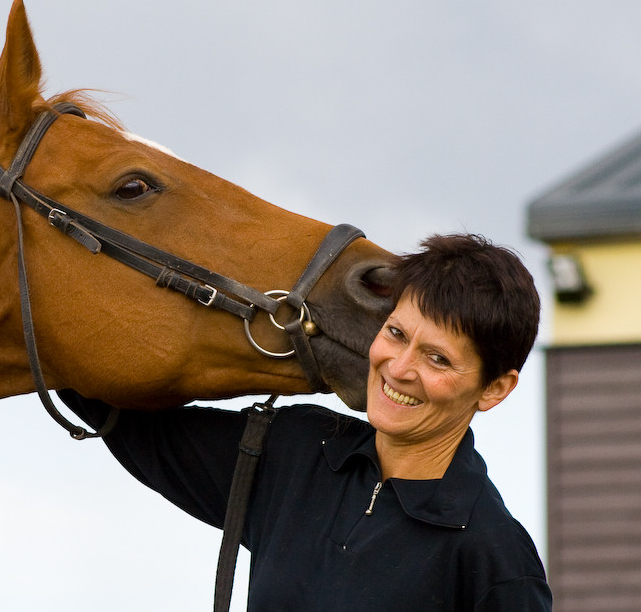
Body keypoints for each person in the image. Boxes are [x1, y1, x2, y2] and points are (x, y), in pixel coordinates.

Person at [60, 233, 552, 611]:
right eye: (396, 333)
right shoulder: (296, 452)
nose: (399, 367)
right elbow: (128, 420)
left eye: (438, 359)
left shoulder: (496, 557)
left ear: (494, 389)